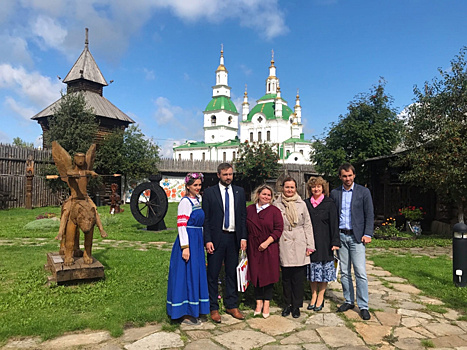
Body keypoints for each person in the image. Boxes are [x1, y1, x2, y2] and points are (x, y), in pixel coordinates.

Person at [203, 163, 247, 323]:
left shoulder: (239, 192)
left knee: (231, 273)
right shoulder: (209, 193)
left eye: (230, 174)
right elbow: (206, 219)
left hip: (233, 238)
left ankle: (231, 304)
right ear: (218, 175)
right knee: (213, 274)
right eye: (225, 174)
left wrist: (243, 237)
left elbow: (243, 216)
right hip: (216, 238)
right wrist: (207, 239)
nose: (228, 177)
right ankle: (213, 307)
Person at [330, 163, 374, 320]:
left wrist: (368, 233)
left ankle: (363, 305)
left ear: (354, 175)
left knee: (360, 272)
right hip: (341, 236)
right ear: (340, 177)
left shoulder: (363, 192)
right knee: (345, 272)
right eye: (344, 176)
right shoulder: (335, 193)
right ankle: (349, 300)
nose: (347, 179)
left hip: (357, 237)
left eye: (350, 175)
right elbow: (332, 216)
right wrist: (333, 237)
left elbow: (369, 214)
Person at [166, 172, 209, 325]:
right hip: (188, 241)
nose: (198, 187)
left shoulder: (198, 199)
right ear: (188, 186)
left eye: (199, 184)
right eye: (195, 185)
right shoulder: (185, 202)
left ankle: (195, 308)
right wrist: (185, 247)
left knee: (195, 274)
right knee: (186, 276)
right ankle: (183, 312)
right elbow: (181, 225)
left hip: (197, 240)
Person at [274, 177, 315, 318]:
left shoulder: (301, 204)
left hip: (299, 241)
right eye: (287, 187)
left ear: (296, 188)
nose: (289, 190)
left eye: (292, 187)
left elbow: (307, 225)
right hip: (284, 240)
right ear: (282, 188)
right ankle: (287, 304)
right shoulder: (277, 204)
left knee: (298, 277)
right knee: (286, 277)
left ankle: (296, 305)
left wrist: (310, 245)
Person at [246, 184, 284, 318]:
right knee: (255, 274)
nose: (266, 197)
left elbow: (279, 229)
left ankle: (266, 303)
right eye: (264, 194)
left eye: (269, 195)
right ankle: (258, 302)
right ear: (258, 195)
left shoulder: (274, 211)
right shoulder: (249, 209)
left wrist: (267, 242)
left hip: (269, 246)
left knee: (268, 275)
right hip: (253, 246)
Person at [304, 177, 340, 312]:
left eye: (319, 186)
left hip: (325, 242)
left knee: (324, 271)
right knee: (313, 272)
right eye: (313, 187)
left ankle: (321, 296)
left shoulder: (329, 203)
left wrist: (335, 242)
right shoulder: (306, 204)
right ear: (310, 189)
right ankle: (313, 295)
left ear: (323, 188)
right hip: (310, 243)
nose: (316, 189)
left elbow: (334, 224)